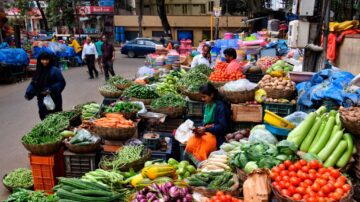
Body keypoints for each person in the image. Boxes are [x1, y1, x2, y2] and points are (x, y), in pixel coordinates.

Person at [184, 83, 231, 165]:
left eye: (204, 97)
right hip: (206, 132)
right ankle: (193, 165)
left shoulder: (220, 107)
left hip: (216, 136)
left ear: (212, 95)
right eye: (201, 97)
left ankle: (202, 167)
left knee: (203, 149)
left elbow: (222, 127)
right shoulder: (206, 105)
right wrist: (199, 129)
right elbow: (204, 122)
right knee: (191, 143)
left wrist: (207, 128)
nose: (202, 99)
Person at [25, 52, 66, 120]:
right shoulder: (38, 71)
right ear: (40, 60)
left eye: (47, 60)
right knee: (44, 116)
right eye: (43, 60)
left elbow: (61, 82)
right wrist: (28, 93)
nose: (45, 62)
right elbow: (34, 83)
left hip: (54, 98)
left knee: (56, 116)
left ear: (50, 60)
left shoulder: (55, 70)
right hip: (41, 98)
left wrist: (50, 89)